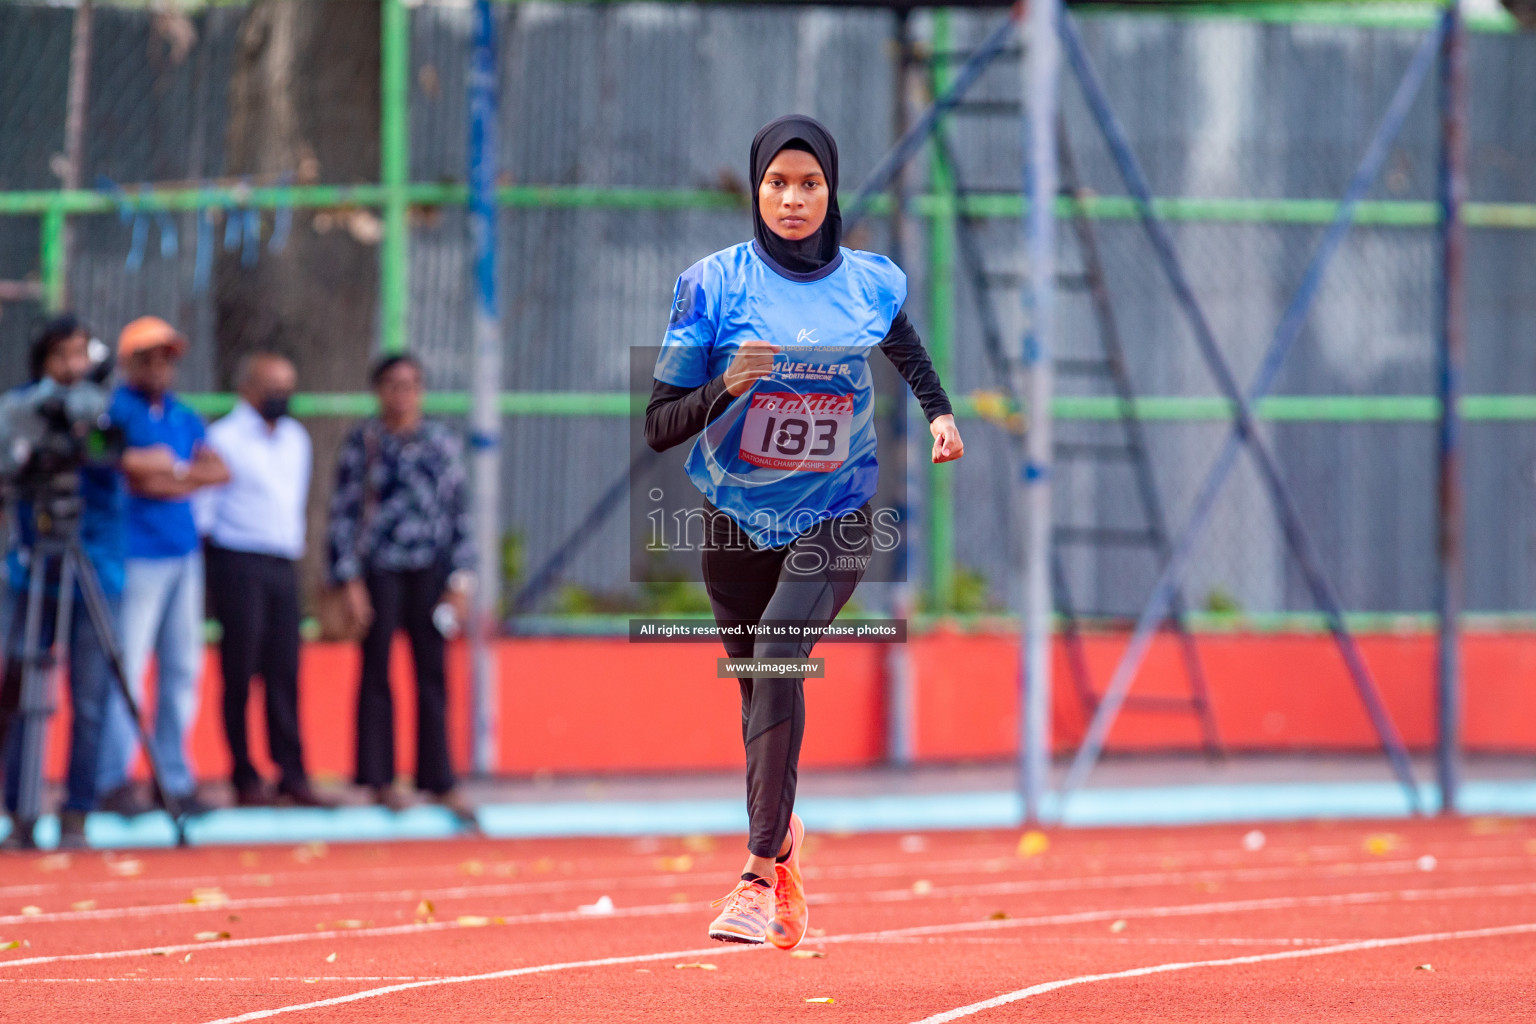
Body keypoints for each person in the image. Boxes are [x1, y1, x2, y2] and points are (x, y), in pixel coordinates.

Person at [645, 115, 963, 948]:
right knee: (759, 691)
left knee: (783, 645)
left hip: (838, 512)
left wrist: (940, 414)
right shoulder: (711, 286)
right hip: (736, 517)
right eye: (778, 183)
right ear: (757, 190)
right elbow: (657, 425)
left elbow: (907, 347)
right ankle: (782, 845)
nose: (793, 199)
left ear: (831, 190)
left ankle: (753, 879)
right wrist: (724, 386)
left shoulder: (870, 281)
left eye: (809, 183)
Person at [326, 353, 475, 821]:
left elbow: (460, 513)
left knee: (432, 673)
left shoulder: (441, 442)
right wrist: (349, 579)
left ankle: (437, 779)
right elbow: (344, 514)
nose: (402, 394)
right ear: (378, 391)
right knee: (376, 670)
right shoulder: (364, 442)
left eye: (411, 385)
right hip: (380, 568)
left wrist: (461, 581)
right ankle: (376, 778)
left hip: (430, 568)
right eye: (392, 384)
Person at [96, 316, 228, 817]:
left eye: (166, 358)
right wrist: (181, 472)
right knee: (126, 667)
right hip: (136, 554)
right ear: (129, 362)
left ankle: (174, 779)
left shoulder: (183, 415)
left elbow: (218, 469)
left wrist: (170, 471)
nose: (159, 367)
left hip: (183, 555)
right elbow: (132, 472)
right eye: (148, 357)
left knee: (182, 670)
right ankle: (113, 779)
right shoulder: (115, 411)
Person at [0, 317, 124, 849]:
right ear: (43, 359)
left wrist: (89, 428)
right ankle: (22, 812)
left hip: (94, 566)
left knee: (91, 698)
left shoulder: (102, 406)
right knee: (24, 688)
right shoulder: (18, 408)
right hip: (32, 568)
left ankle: (78, 813)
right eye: (62, 355)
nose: (73, 366)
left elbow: (110, 462)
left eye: (81, 354)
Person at [199, 351, 330, 808]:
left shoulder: (295, 438)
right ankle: (243, 773)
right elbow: (206, 511)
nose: (282, 396)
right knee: (239, 670)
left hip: (281, 562)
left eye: (288, 387)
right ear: (248, 388)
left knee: (285, 669)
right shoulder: (223, 437)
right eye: (273, 386)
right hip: (237, 559)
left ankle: (291, 771)